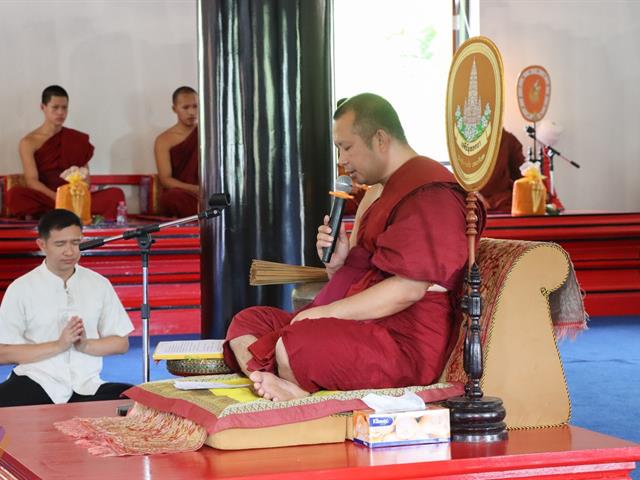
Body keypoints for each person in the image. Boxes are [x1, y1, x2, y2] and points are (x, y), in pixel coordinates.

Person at [224, 93, 484, 402]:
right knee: (248, 321)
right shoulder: (386, 191)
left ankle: (299, 395)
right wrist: (337, 266)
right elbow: (367, 282)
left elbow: (408, 290)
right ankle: (280, 380)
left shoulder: (430, 194)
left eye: (346, 147)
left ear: (380, 139)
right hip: (367, 326)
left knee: (297, 342)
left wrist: (323, 314)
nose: (341, 160)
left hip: (401, 343)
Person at [0, 209, 134, 407]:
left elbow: (121, 343)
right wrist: (59, 345)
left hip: (86, 386)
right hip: (36, 381)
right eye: (60, 244)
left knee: (138, 400)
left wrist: (86, 345)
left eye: (75, 242)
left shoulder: (98, 283)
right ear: (42, 245)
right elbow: (3, 353)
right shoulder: (21, 288)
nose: (70, 251)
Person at [6, 85, 125, 220]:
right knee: (15, 195)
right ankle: (64, 212)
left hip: (75, 198)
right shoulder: (28, 142)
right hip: (48, 197)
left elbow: (85, 177)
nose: (60, 113)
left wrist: (76, 198)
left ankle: (58, 213)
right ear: (43, 107)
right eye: (55, 108)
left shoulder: (76, 139)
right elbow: (31, 181)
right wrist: (58, 198)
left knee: (115, 194)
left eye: (64, 108)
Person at [154, 86, 199, 217]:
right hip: (185, 194)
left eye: (195, 106)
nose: (192, 112)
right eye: (185, 107)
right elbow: (165, 179)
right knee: (171, 198)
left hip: (209, 193)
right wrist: (195, 189)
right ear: (174, 109)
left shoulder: (209, 134)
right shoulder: (164, 140)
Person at [479, 128, 525, 213]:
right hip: (474, 204)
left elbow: (521, 176)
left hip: (502, 203)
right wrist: (475, 195)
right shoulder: (468, 140)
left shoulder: (507, 140)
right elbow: (461, 178)